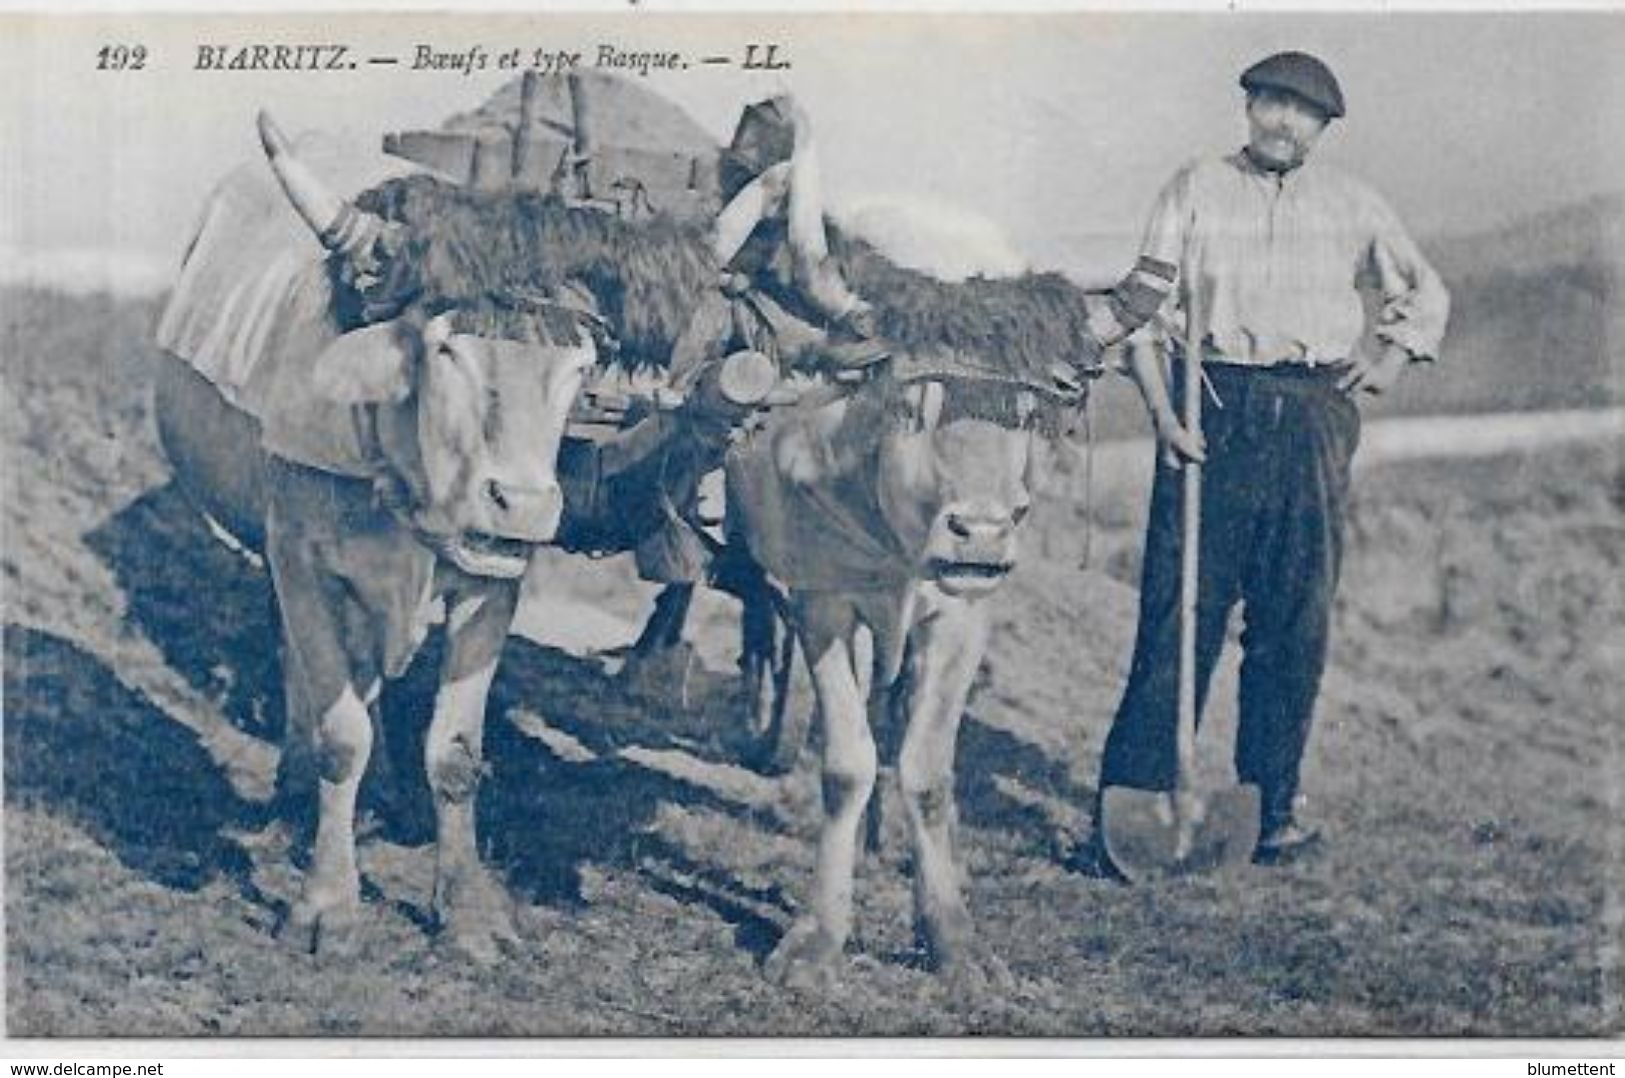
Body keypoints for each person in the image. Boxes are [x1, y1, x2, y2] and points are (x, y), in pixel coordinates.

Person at [1071, 51, 1450, 868]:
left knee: (1292, 621)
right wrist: (1165, 416)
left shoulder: (1353, 203)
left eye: (1302, 111)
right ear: (1248, 108)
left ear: (1321, 127)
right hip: (1210, 410)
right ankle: (1128, 814)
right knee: (1178, 616)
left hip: (1313, 415)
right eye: (1271, 103)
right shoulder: (1194, 187)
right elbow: (1142, 309)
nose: (1283, 121)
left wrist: (1388, 358)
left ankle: (1270, 810)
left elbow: (1424, 290)